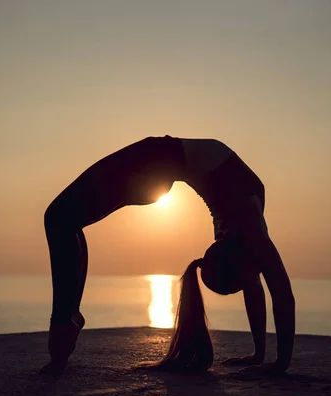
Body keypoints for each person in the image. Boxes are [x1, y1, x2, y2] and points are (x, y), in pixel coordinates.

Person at [40, 135, 295, 374]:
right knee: (63, 220)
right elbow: (275, 290)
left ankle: (64, 324)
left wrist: (266, 357)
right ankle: (67, 321)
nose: (256, 273)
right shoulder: (248, 231)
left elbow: (268, 288)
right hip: (159, 166)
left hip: (156, 161)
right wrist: (273, 361)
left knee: (59, 218)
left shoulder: (240, 233)